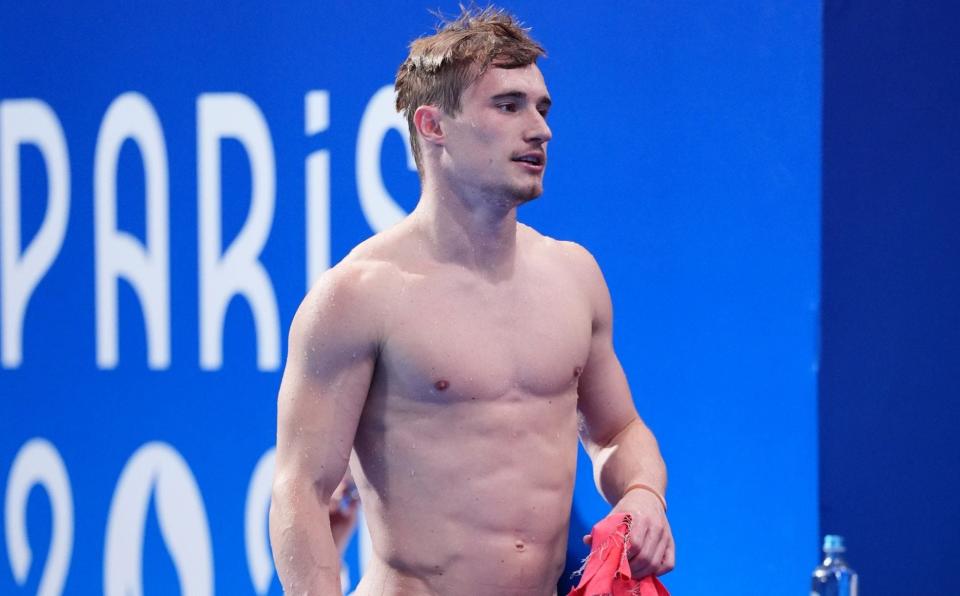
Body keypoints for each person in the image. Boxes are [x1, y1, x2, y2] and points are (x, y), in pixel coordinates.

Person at [269, 7, 674, 595]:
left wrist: (642, 493)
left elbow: (617, 432)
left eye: (542, 107)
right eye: (508, 106)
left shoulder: (574, 275)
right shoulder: (359, 296)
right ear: (433, 126)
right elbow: (301, 488)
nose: (539, 129)